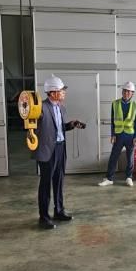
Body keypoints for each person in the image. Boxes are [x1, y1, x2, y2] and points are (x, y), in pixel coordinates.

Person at [35, 75, 85, 230]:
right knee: (45, 184)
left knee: (59, 181)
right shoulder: (41, 108)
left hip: (60, 148)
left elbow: (59, 128)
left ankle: (59, 211)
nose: (64, 93)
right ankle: (44, 217)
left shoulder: (61, 108)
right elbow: (30, 118)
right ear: (52, 92)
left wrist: (71, 125)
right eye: (61, 90)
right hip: (47, 151)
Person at [98, 82, 136, 187]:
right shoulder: (115, 103)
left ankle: (129, 177)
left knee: (130, 157)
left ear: (132, 93)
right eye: (124, 91)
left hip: (130, 136)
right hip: (118, 135)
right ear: (122, 92)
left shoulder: (135, 105)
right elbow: (113, 121)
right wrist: (112, 134)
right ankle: (109, 178)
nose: (126, 93)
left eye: (128, 91)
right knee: (113, 157)